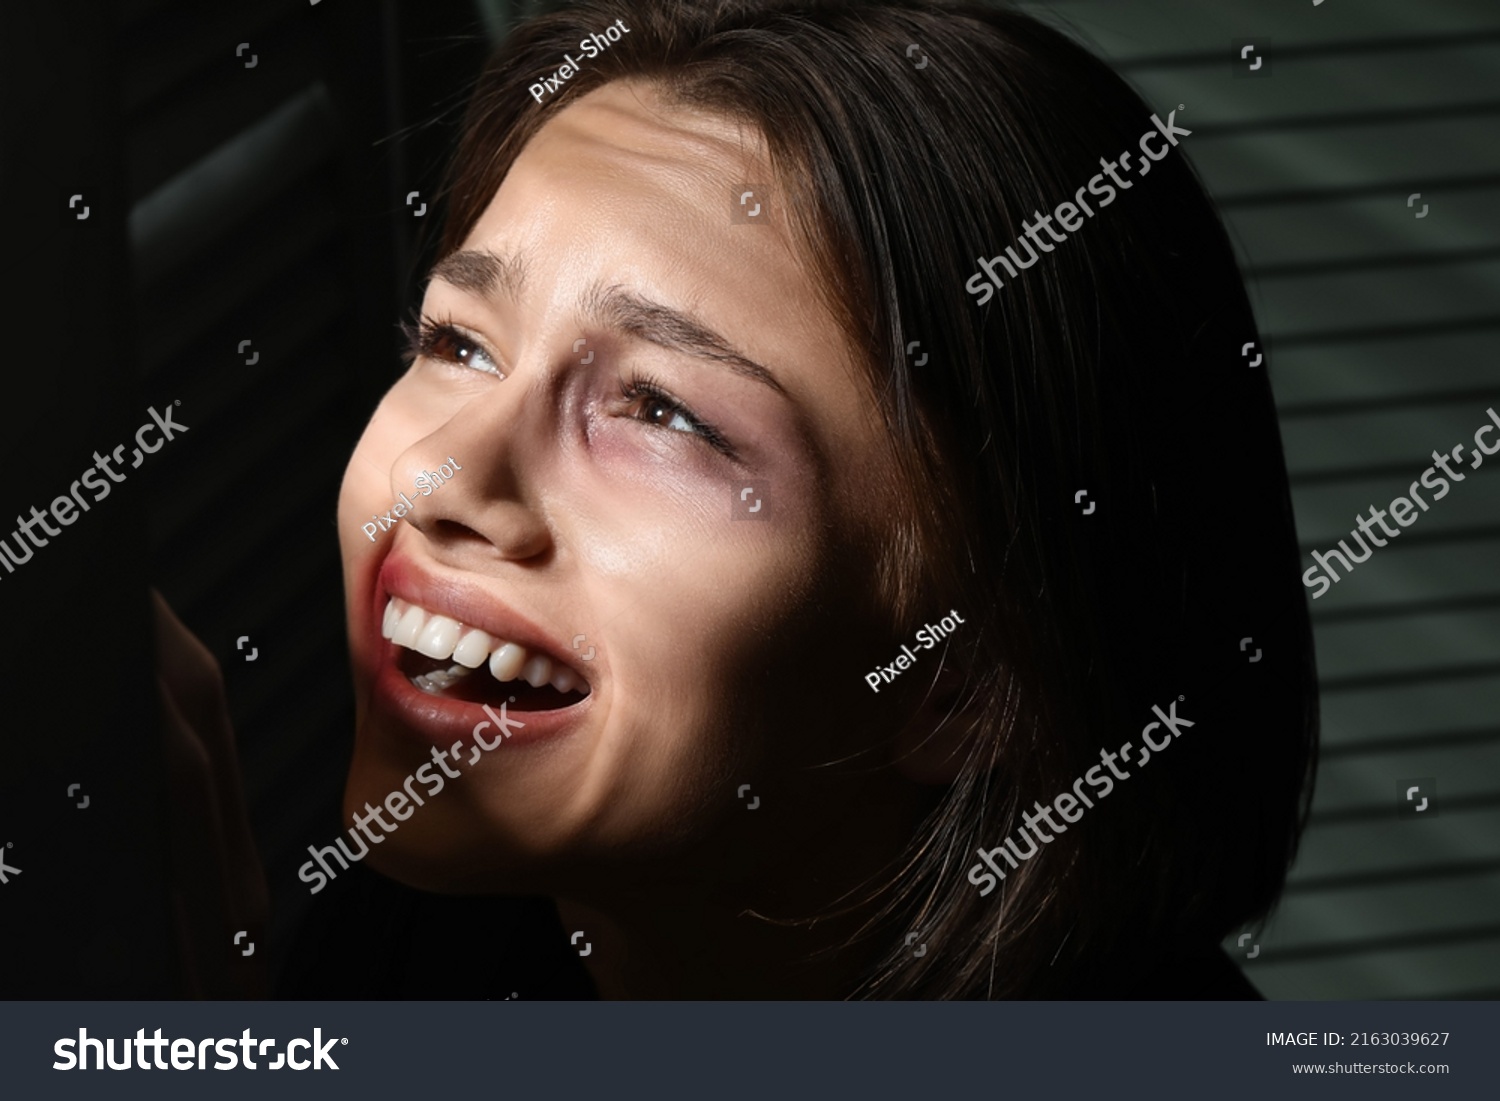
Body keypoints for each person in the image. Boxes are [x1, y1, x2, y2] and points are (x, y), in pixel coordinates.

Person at [174, 0, 1318, 999]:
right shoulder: (439, 931)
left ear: (969, 685)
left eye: (663, 411)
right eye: (460, 342)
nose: (447, 483)